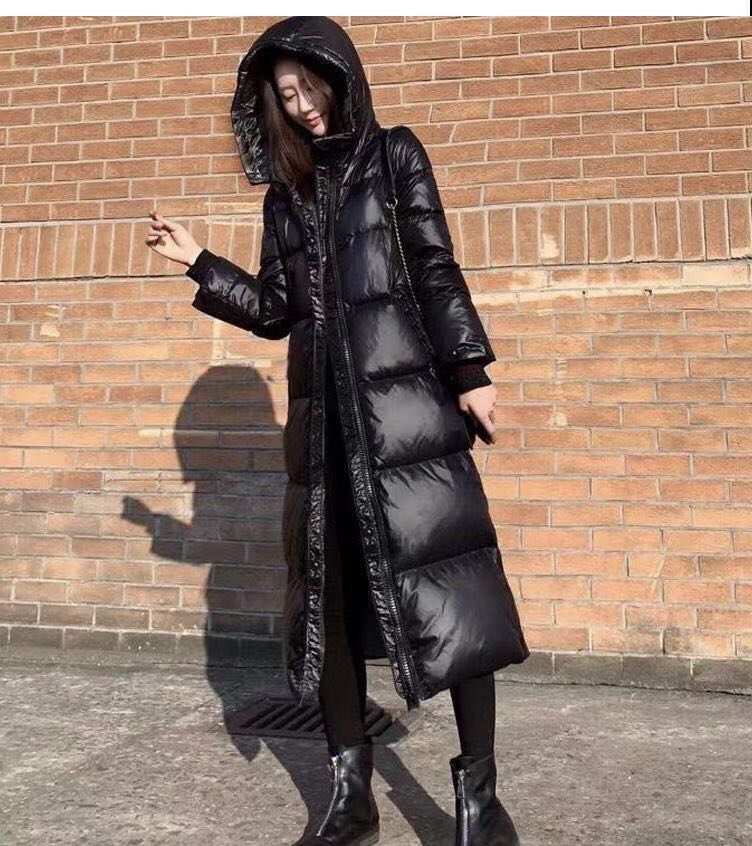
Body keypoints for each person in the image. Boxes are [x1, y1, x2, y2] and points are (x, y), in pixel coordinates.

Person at [145, 16, 529, 846]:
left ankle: (481, 805)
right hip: (324, 440)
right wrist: (201, 263)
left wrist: (471, 370)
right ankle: (351, 801)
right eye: (285, 96)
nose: (302, 105)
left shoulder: (395, 157)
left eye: (309, 86)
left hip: (408, 421)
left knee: (456, 600)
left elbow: (433, 263)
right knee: (330, 614)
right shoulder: (285, 197)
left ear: (340, 77)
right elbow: (277, 310)